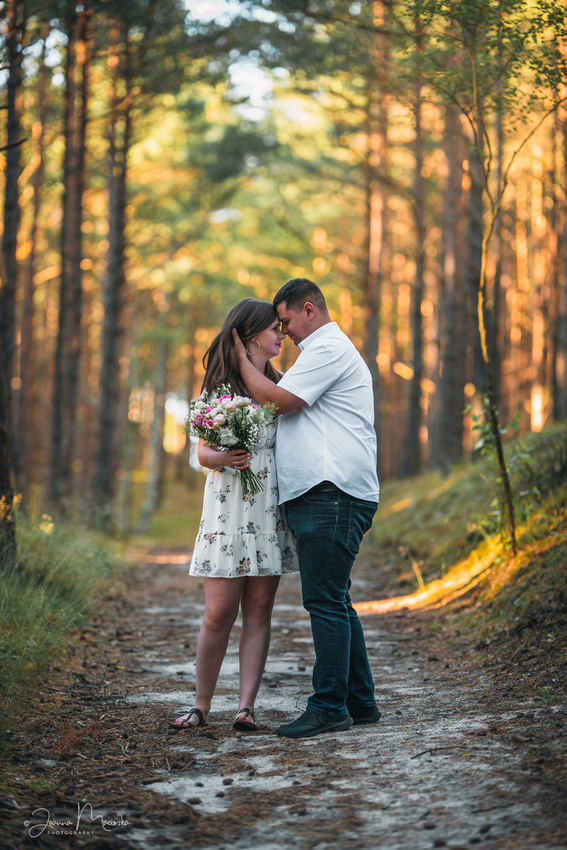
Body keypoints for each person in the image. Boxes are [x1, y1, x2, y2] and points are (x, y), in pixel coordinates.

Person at [232, 278, 380, 738]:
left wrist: (239, 356)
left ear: (310, 309)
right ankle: (360, 701)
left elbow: (278, 401)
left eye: (288, 320)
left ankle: (329, 706)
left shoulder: (326, 349)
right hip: (329, 491)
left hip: (331, 490)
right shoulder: (321, 352)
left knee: (325, 601)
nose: (286, 330)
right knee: (336, 598)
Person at [170, 298, 298, 732]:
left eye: (282, 327)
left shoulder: (281, 386)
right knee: (218, 614)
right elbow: (202, 453)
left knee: (259, 611)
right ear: (249, 337)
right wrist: (226, 455)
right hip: (227, 512)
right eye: (273, 328)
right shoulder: (218, 391)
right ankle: (200, 706)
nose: (281, 334)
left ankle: (246, 707)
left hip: (268, 510)